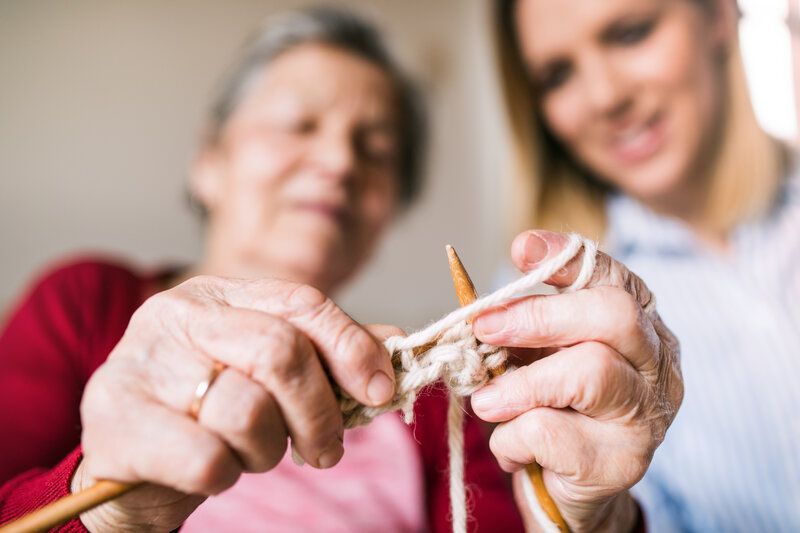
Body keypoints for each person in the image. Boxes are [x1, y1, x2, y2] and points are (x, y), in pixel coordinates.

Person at [0, 5, 686, 533]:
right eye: (298, 124)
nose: (338, 163)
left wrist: (584, 510)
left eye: (377, 149)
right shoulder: (89, 304)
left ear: (390, 210)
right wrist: (108, 506)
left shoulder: (440, 402)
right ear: (209, 161)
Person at [492, 0, 800, 530]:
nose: (606, 97)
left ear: (719, 16)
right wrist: (594, 513)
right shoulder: (537, 314)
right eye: (557, 74)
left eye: (631, 33)